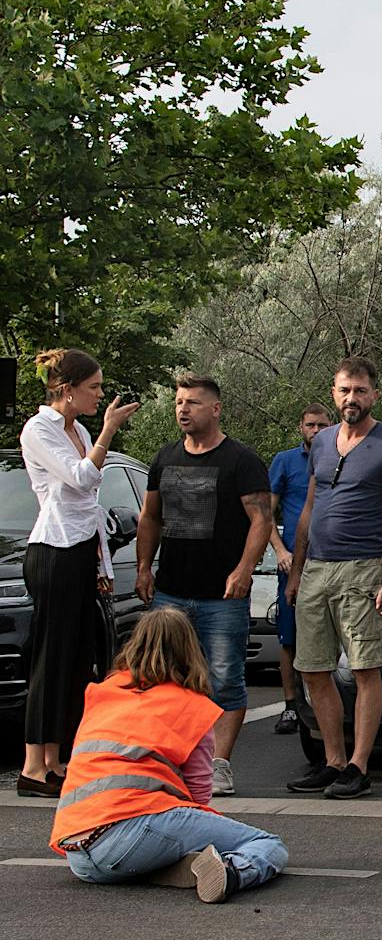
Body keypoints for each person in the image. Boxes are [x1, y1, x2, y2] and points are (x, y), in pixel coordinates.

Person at [50, 607, 288, 902]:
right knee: (267, 844)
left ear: (134, 643)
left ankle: (162, 863)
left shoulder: (103, 694)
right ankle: (230, 871)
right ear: (190, 650)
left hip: (78, 850)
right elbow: (198, 796)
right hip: (132, 831)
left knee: (153, 842)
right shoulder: (191, 705)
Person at [133, 375, 273, 797]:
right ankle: (169, 760)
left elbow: (261, 519)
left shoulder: (241, 460)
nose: (183, 409)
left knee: (225, 679)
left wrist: (244, 570)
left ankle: (218, 765)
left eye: (192, 402)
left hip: (222, 596)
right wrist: (144, 567)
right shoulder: (164, 457)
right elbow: (150, 517)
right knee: (162, 677)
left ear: (215, 409)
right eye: (179, 401)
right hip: (170, 591)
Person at [284, 359, 382, 800]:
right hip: (316, 569)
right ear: (334, 393)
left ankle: (359, 766)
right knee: (312, 668)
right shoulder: (321, 441)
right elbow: (309, 509)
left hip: (363, 567)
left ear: (374, 394)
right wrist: (297, 571)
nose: (351, 399)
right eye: (344, 390)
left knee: (363, 668)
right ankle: (334, 762)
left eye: (360, 390)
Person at [16, 349, 140, 796]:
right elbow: (81, 479)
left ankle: (56, 760)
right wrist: (108, 431)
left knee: (75, 660)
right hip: (54, 550)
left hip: (82, 549)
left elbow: (90, 503)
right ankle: (33, 766)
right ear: (67, 390)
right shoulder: (39, 429)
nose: (100, 395)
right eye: (94, 388)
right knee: (50, 656)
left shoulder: (80, 430)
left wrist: (102, 562)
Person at [267, 405, 330, 738]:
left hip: (331, 560)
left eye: (322, 425)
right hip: (294, 564)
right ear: (300, 427)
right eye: (310, 425)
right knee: (289, 637)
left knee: (329, 638)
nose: (316, 430)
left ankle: (327, 707)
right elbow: (265, 512)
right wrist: (280, 550)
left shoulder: (338, 457)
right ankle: (290, 705)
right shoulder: (285, 461)